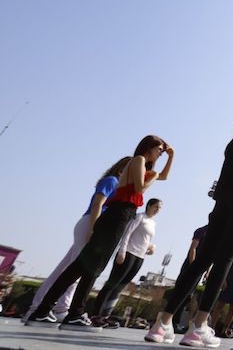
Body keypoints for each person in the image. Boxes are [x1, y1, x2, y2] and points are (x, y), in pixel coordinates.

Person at [146, 109, 233, 348]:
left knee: (202, 259)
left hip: (222, 201)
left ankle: (162, 322)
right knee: (224, 261)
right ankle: (198, 326)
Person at [28, 136, 172, 330]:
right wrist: (152, 177)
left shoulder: (144, 165)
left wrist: (172, 157)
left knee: (83, 266)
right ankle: (71, 312)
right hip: (118, 213)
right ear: (149, 147)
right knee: (92, 266)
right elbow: (139, 188)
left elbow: (163, 176)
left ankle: (50, 310)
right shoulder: (138, 160)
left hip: (121, 214)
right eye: (160, 149)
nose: (161, 153)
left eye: (163, 151)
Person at [24, 156, 131, 323]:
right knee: (77, 271)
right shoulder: (112, 181)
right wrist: (93, 229)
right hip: (90, 223)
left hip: (90, 224)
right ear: (120, 169)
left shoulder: (118, 185)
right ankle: (60, 309)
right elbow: (98, 204)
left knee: (66, 269)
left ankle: (38, 307)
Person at [91, 198, 163, 327]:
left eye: (160, 208)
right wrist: (122, 252)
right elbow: (127, 233)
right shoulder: (140, 217)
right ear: (149, 206)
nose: (157, 210)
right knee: (113, 283)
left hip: (139, 257)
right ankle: (96, 314)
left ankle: (106, 316)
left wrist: (152, 247)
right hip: (128, 253)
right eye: (156, 206)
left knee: (120, 287)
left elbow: (144, 239)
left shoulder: (153, 223)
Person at [172, 223, 209, 332]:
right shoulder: (201, 231)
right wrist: (193, 265)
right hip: (190, 266)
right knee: (180, 292)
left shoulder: (216, 234)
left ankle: (177, 322)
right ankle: (171, 321)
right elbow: (193, 248)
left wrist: (207, 271)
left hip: (201, 268)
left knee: (188, 296)